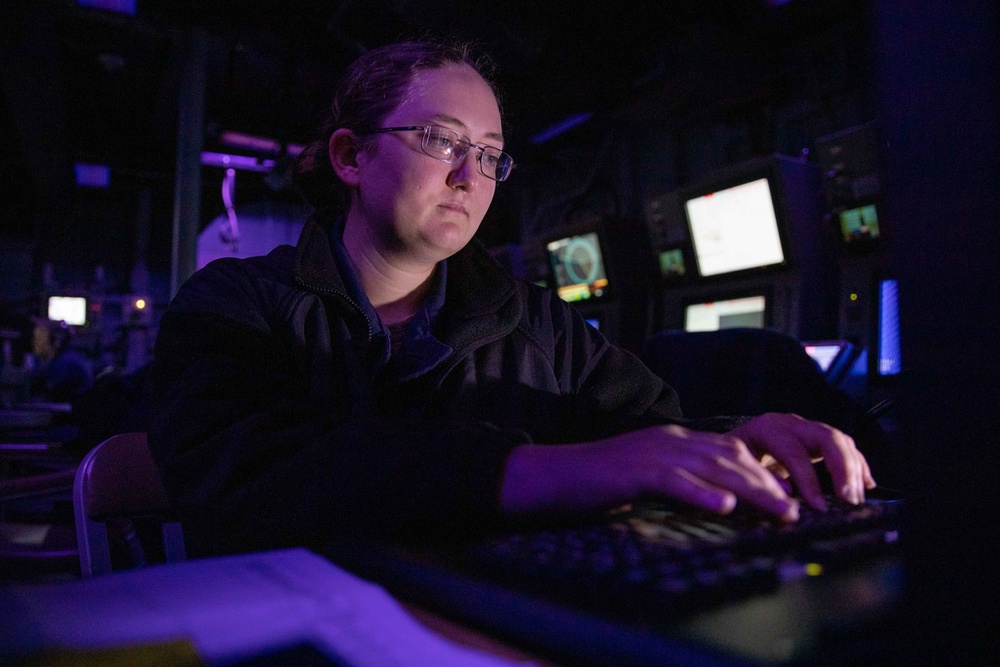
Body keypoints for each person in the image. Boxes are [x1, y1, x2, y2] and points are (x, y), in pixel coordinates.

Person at [149, 40, 876, 557]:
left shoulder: (533, 321)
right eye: (441, 140)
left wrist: (735, 439)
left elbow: (645, 432)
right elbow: (256, 473)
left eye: (491, 154)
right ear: (349, 156)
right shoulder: (233, 306)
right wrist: (531, 470)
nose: (471, 175)